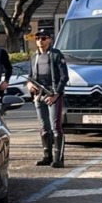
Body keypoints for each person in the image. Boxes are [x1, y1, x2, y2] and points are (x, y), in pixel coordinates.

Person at [28, 27, 69, 167]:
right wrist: (29, 85)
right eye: (38, 38)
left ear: (50, 39)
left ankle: (58, 159)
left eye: (43, 38)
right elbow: (30, 76)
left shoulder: (56, 55)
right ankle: (47, 156)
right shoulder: (34, 57)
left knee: (55, 127)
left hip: (53, 94)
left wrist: (56, 94)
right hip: (39, 95)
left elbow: (64, 77)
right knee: (44, 127)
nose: (40, 40)